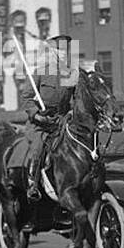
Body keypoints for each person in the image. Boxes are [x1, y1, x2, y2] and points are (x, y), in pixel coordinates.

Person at [12, 58, 78, 199]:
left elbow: (77, 98)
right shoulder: (40, 72)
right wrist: (36, 115)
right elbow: (26, 97)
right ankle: (33, 184)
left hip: (62, 122)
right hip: (40, 124)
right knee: (38, 147)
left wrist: (73, 111)